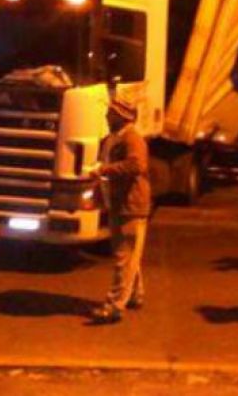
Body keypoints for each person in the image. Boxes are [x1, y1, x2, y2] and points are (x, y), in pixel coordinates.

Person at [89, 96, 151, 325]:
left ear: (121, 116)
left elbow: (136, 165)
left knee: (123, 257)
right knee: (130, 254)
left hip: (130, 206)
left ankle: (114, 306)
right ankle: (135, 294)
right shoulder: (115, 138)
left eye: (110, 113)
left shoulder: (132, 139)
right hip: (120, 203)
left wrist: (103, 169)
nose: (106, 116)